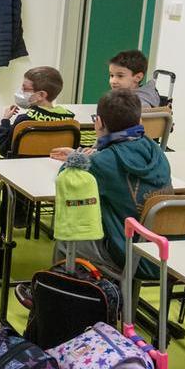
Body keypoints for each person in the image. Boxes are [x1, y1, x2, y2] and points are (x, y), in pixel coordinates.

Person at [51, 89, 171, 277]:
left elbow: (66, 179)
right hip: (165, 254)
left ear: (98, 122)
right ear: (139, 121)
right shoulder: (156, 152)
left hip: (131, 256)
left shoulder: (101, 163)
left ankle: (61, 288)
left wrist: (83, 155)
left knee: (67, 238)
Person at [0, 66, 76, 157]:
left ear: (41, 95)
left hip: (21, 168)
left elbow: (4, 150)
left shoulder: (24, 121)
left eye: (25, 89)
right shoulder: (70, 120)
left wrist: (5, 121)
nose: (20, 92)